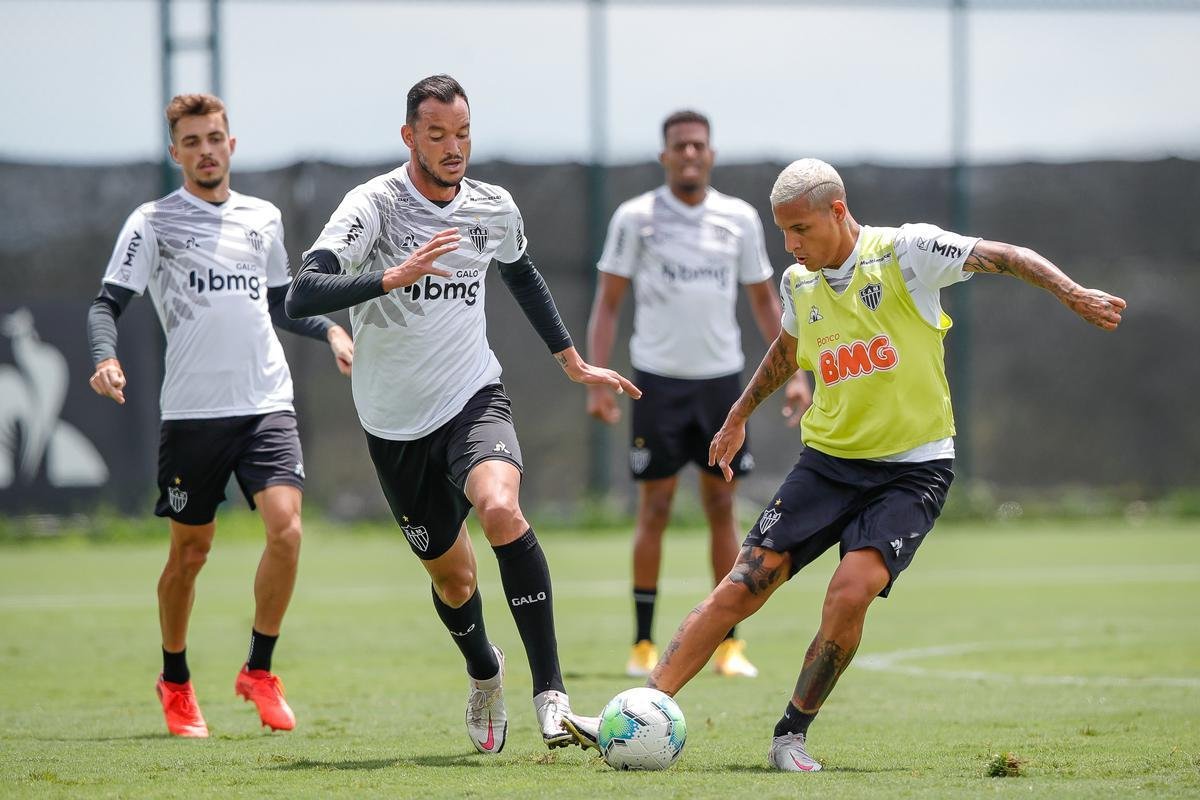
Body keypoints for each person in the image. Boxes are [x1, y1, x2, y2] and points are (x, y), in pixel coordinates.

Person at [564, 157, 1125, 770]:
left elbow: (1009, 254)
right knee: (743, 584)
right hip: (828, 463)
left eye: (800, 229)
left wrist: (1072, 292)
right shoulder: (799, 283)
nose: (790, 245)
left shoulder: (908, 252)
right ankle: (636, 711)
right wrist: (739, 414)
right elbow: (789, 349)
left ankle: (790, 736)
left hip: (913, 471)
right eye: (783, 232)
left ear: (838, 210)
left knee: (849, 592)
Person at [285, 74, 641, 755]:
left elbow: (522, 271)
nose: (453, 148)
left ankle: (552, 696)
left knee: (502, 510)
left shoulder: (491, 207)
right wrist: (387, 277)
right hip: (393, 426)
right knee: (455, 581)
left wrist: (572, 361)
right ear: (409, 136)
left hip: (473, 397)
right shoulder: (375, 206)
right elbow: (303, 292)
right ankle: (485, 673)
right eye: (438, 134)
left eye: (463, 134)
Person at [87, 93, 355, 738]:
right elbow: (106, 305)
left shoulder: (263, 217)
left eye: (215, 137)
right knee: (190, 552)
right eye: (192, 140)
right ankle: (175, 680)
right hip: (193, 414)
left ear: (231, 144)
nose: (205, 149)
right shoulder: (152, 222)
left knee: (287, 530)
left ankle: (258, 670)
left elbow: (282, 303)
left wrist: (333, 333)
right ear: (174, 151)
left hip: (266, 403)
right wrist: (104, 359)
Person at [586, 110, 811, 679]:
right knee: (654, 509)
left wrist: (799, 370)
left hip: (721, 387)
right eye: (679, 146)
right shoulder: (635, 218)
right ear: (665, 156)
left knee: (721, 507)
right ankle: (642, 643)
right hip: (655, 383)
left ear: (711, 154)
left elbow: (766, 303)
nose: (689, 154)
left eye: (699, 146)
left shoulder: (737, 219)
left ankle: (728, 644)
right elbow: (609, 301)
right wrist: (596, 375)